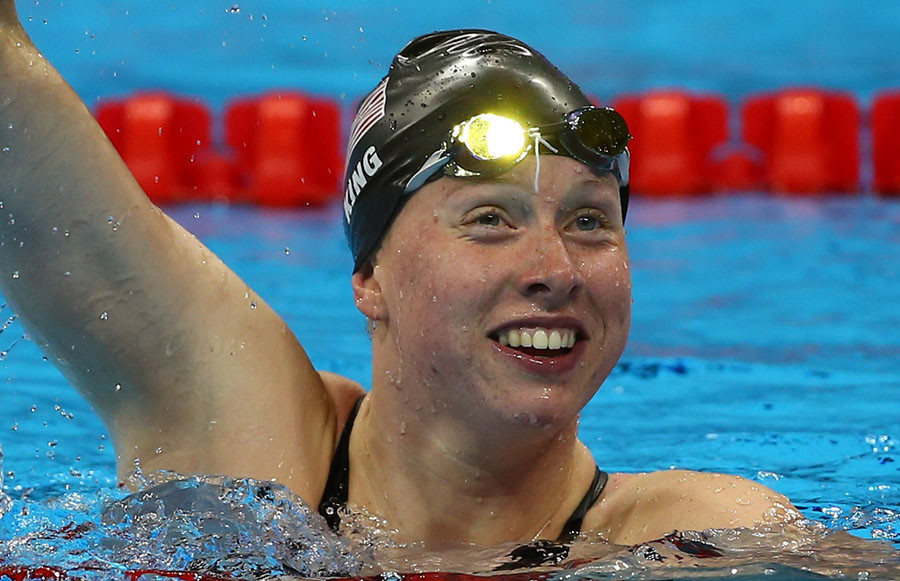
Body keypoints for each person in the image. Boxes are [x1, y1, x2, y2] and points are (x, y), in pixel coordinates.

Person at [0, 1, 798, 549]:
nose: (556, 271)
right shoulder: (256, 448)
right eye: (490, 219)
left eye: (590, 220)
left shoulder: (698, 534)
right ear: (370, 275)